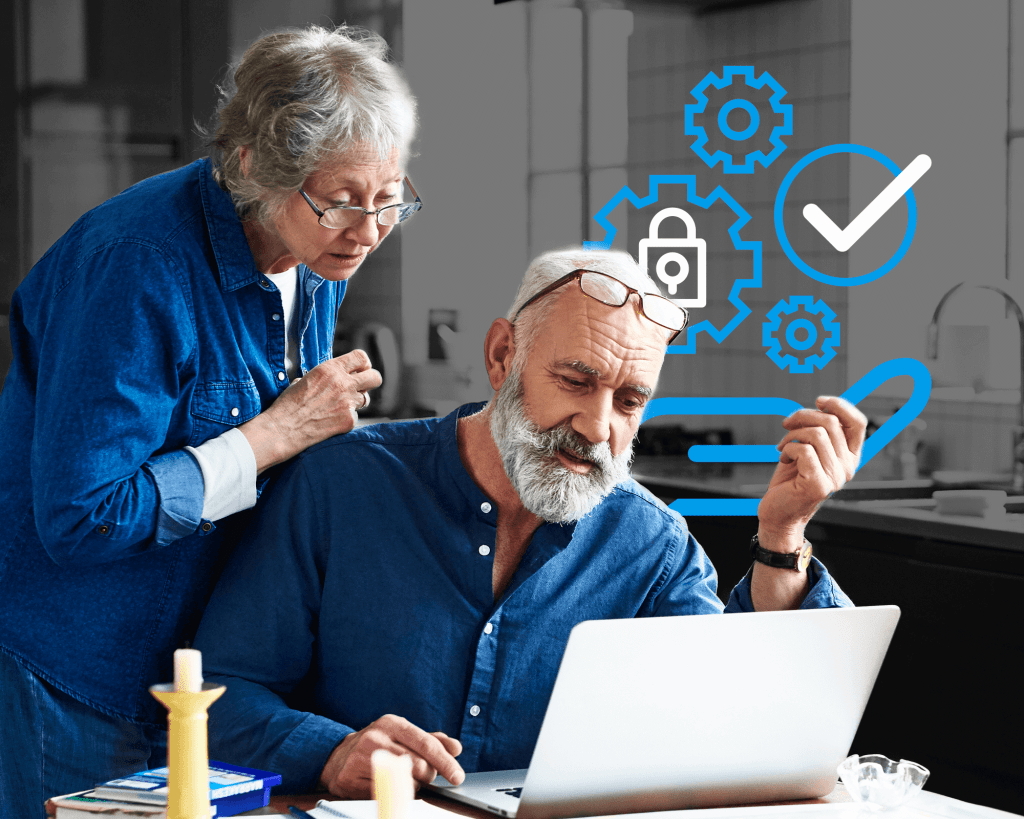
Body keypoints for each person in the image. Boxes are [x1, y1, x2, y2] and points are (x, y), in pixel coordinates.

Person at [192, 246, 865, 797]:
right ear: (501, 355)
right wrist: (331, 749)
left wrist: (782, 538)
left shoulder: (652, 546)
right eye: (576, 381)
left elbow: (740, 726)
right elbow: (216, 696)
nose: (599, 427)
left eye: (629, 400)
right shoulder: (340, 485)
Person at [0, 24, 419, 818]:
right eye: (339, 204)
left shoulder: (314, 252)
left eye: (388, 200)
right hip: (80, 671)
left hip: (206, 674)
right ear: (253, 167)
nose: (367, 233)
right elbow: (81, 516)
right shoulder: (137, 263)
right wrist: (276, 433)